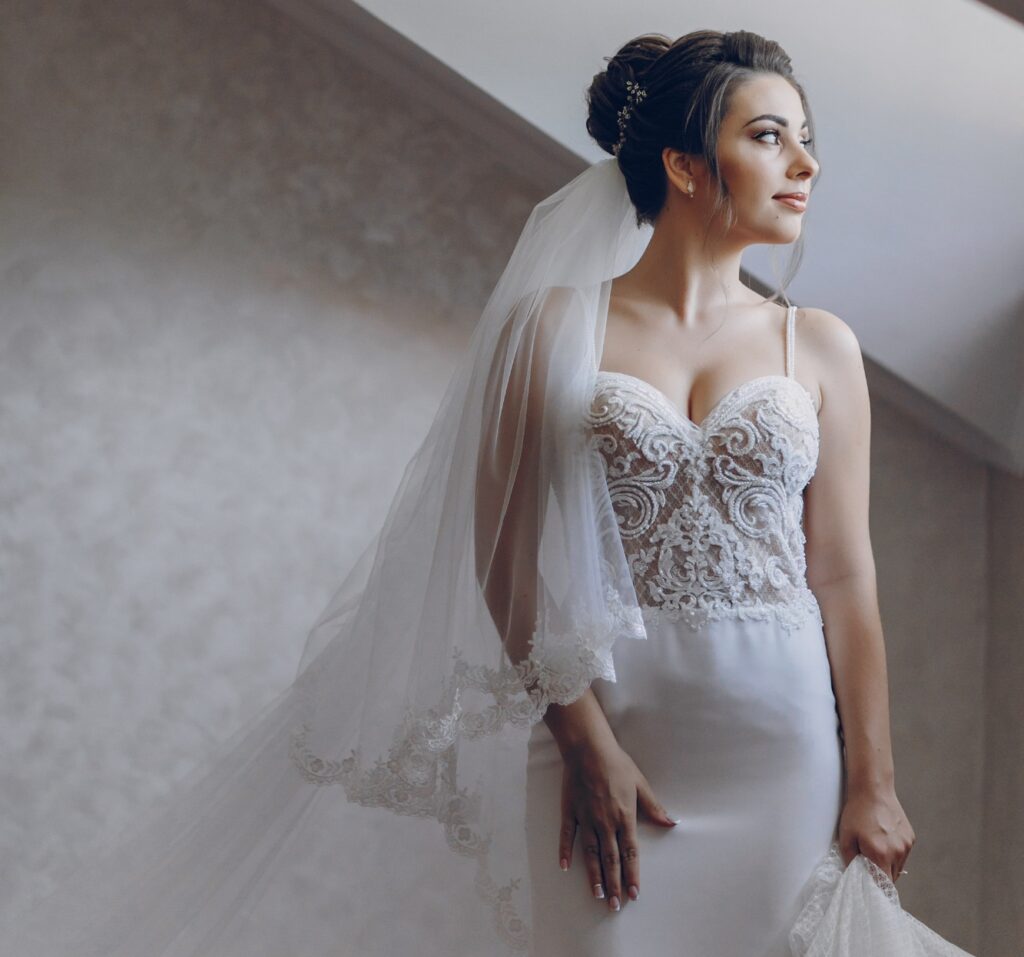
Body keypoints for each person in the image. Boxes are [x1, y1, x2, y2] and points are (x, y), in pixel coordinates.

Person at [0, 27, 976, 957]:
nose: (805, 164)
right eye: (769, 137)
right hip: (610, 730)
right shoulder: (552, 327)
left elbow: (844, 576)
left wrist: (875, 783)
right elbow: (503, 556)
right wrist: (582, 738)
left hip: (784, 750)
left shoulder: (820, 346)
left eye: (806, 138)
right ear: (684, 165)